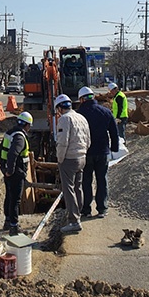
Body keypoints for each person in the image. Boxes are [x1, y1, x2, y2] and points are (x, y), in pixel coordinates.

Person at [76, 87, 119, 219]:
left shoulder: (78, 114)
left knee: (86, 181)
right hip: (103, 152)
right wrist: (114, 148)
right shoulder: (105, 112)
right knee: (102, 180)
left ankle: (86, 210)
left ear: (81, 99)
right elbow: (114, 132)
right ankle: (102, 209)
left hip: (86, 153)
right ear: (93, 97)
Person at [54, 94, 91, 233]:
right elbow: (88, 140)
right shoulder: (81, 117)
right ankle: (78, 213)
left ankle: (74, 221)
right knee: (78, 187)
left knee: (68, 190)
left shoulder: (65, 119)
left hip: (69, 159)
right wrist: (83, 153)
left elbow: (63, 142)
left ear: (59, 108)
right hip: (82, 157)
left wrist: (60, 158)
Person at [0, 112, 33, 236]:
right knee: (15, 200)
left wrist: (4, 168)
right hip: (16, 173)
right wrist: (10, 171)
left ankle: (8, 221)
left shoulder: (10, 133)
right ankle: (14, 226)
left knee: (9, 196)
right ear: (27, 125)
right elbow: (13, 154)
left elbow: (0, 150)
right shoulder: (20, 137)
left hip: (9, 172)